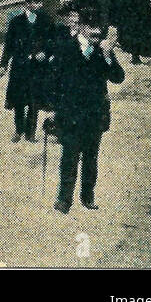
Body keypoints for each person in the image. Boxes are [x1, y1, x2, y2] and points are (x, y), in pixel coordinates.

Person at [49, 19, 125, 213]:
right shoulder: (67, 48)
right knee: (69, 157)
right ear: (82, 27)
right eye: (92, 31)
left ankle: (87, 196)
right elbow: (54, 81)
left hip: (95, 114)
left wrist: (108, 56)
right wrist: (54, 111)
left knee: (91, 158)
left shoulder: (102, 50)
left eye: (99, 33)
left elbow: (118, 77)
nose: (96, 36)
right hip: (71, 114)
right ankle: (64, 199)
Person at [0, 0, 54, 143]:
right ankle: (18, 130)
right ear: (28, 3)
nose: (40, 6)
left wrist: (46, 53)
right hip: (20, 67)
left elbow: (52, 41)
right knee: (19, 101)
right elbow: (8, 45)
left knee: (34, 101)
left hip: (38, 68)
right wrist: (3, 64)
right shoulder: (16, 22)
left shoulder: (46, 20)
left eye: (40, 2)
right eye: (36, 3)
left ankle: (31, 133)